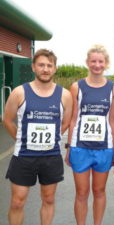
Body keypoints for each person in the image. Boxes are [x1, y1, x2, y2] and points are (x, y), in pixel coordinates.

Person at [3, 49, 73, 225]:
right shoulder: (20, 92)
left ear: (55, 69)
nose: (45, 69)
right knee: (17, 201)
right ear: (33, 67)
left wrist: (53, 137)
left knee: (48, 199)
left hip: (51, 157)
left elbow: (65, 122)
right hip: (24, 157)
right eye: (41, 65)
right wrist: (20, 139)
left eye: (49, 65)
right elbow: (8, 120)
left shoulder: (64, 95)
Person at [65, 44, 114, 225]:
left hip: (104, 148)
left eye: (100, 61)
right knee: (81, 193)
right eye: (93, 61)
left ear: (106, 64)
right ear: (87, 63)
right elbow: (73, 119)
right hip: (80, 147)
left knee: (99, 191)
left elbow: (113, 120)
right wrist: (69, 147)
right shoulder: (77, 87)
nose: (97, 65)